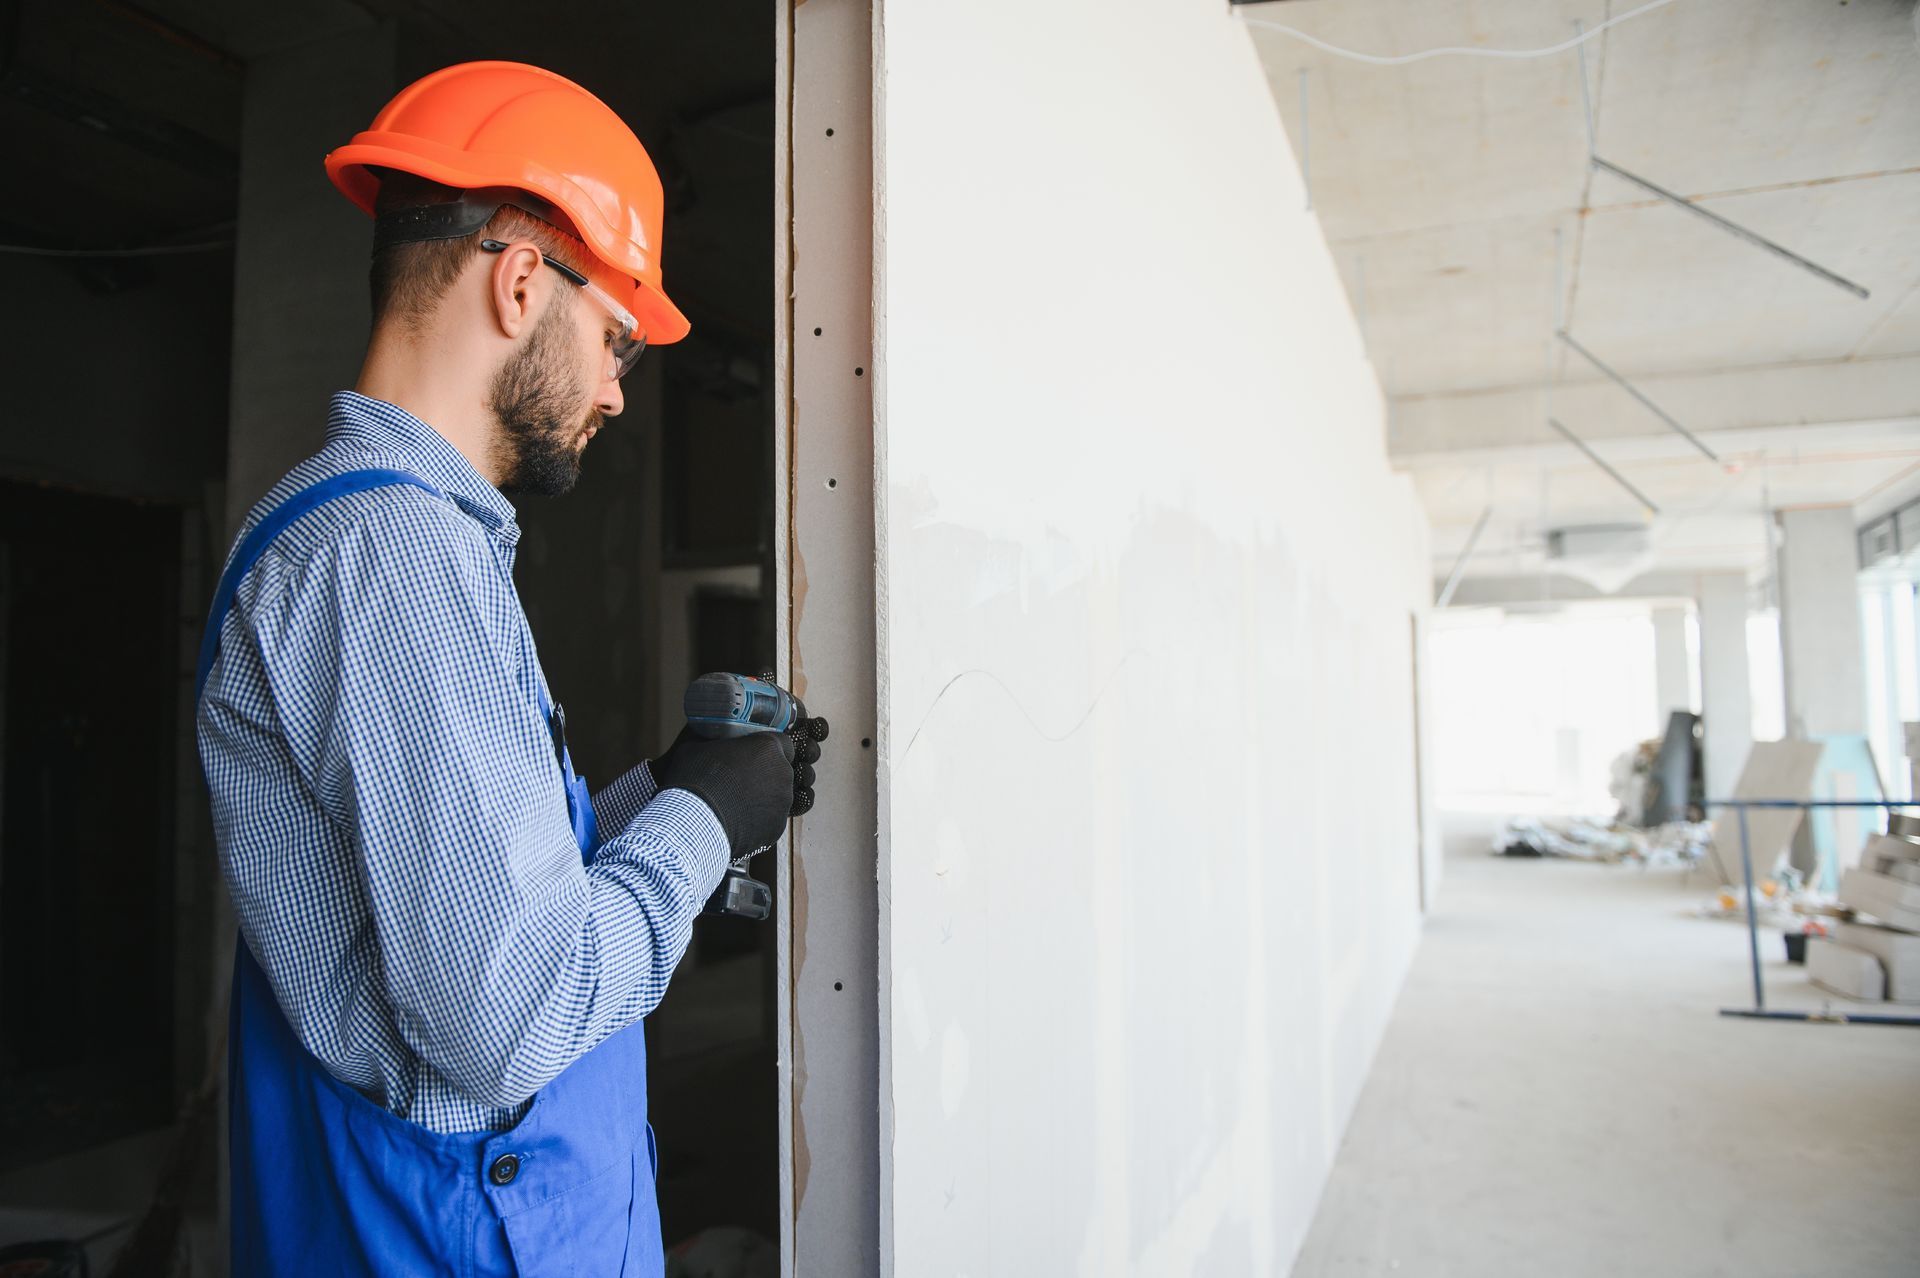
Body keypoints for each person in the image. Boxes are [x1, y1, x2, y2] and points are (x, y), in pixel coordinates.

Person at [195, 61, 814, 1277]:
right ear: (524, 278)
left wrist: (664, 788)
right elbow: (510, 1016)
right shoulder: (393, 555)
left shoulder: (393, 541)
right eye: (616, 344)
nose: (614, 393)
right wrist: (699, 827)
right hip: (459, 1237)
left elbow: (468, 909)